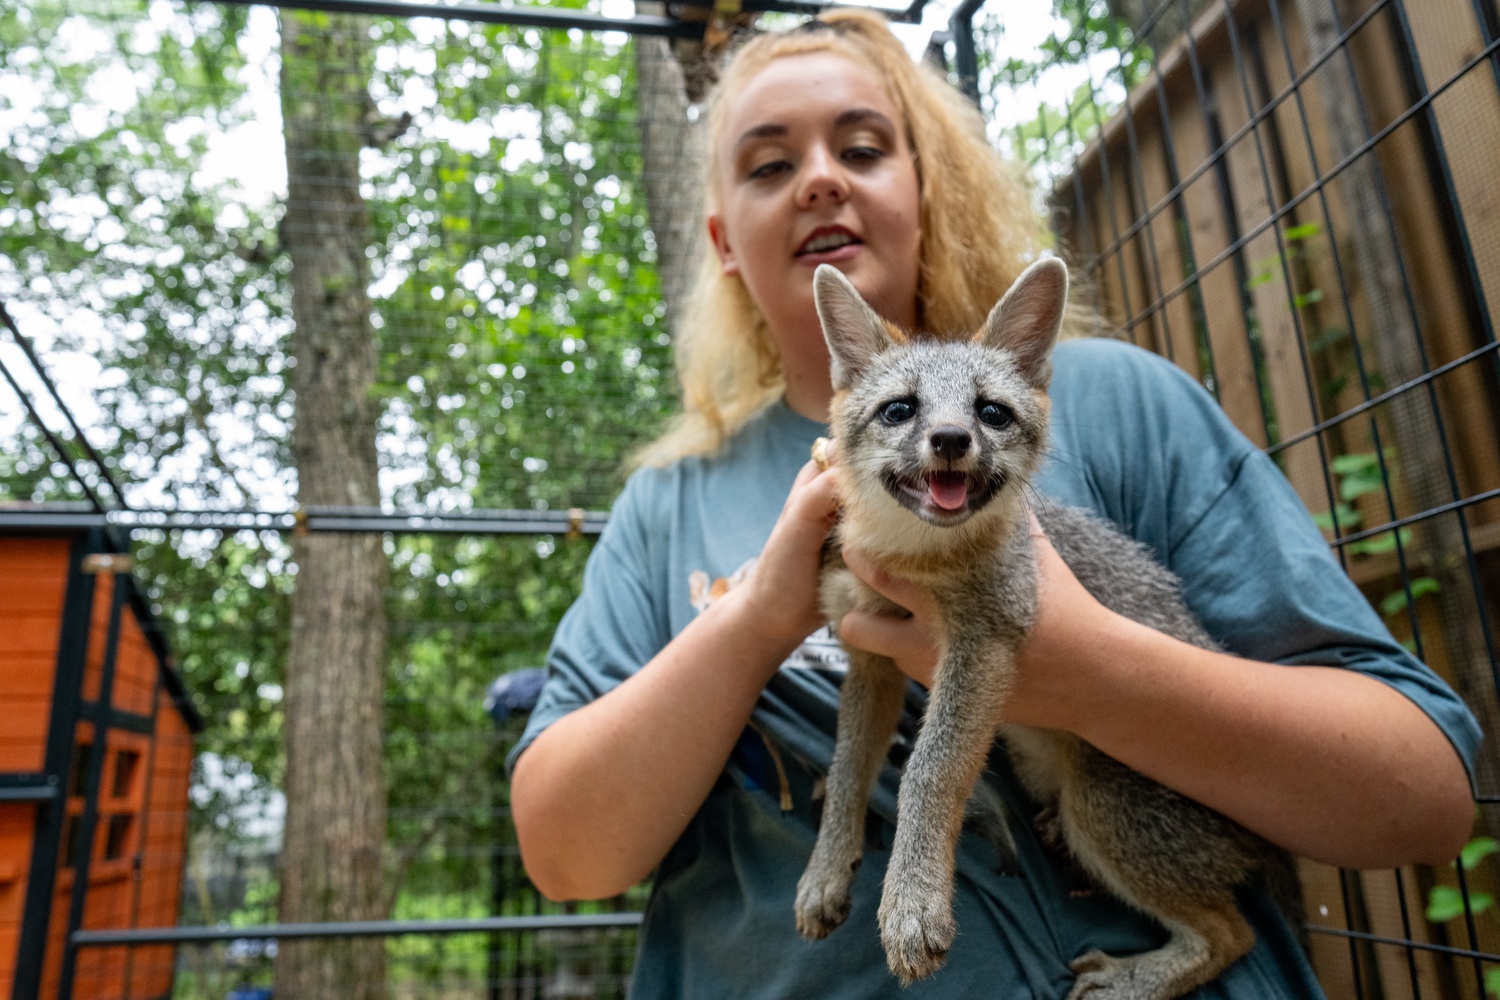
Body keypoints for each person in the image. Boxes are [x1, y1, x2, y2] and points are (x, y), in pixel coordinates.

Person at [508, 10, 1479, 997]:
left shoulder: (1123, 406)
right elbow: (565, 857)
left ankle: (1204, 937)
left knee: (1106, 814)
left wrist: (1083, 671)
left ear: (931, 186)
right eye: (767, 166)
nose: (819, 180)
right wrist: (760, 613)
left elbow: (1427, 798)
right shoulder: (669, 505)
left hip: (1139, 830)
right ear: (720, 241)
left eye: (861, 146)